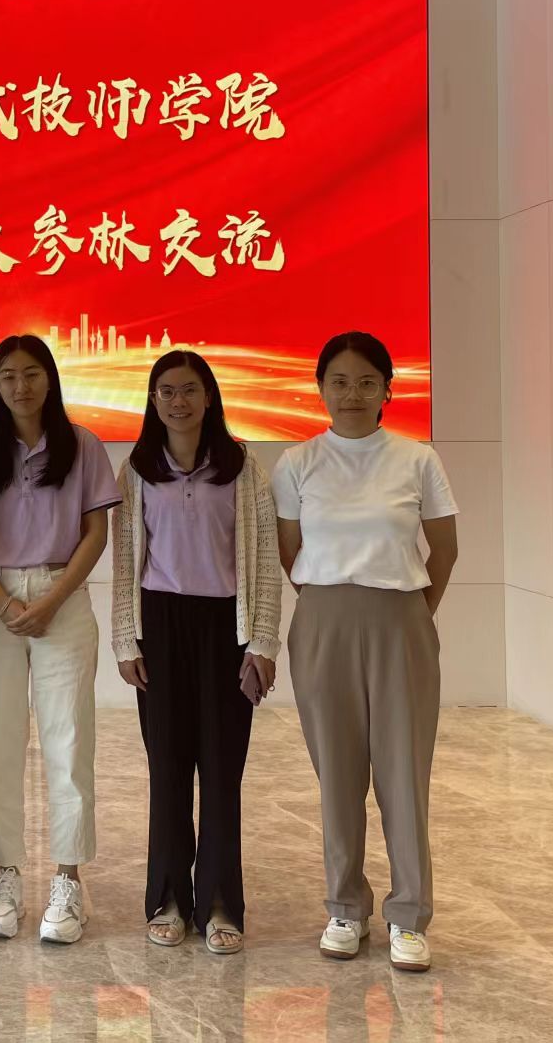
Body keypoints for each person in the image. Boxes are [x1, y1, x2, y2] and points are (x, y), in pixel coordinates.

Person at [272, 331, 458, 973]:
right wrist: (332, 602)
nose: (352, 394)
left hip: (400, 617)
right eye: (340, 382)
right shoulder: (297, 463)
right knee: (338, 774)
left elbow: (445, 549)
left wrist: (414, 613)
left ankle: (409, 915)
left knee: (404, 772)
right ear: (320, 388)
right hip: (323, 620)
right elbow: (289, 551)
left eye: (366, 382)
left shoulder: (417, 459)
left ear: (387, 390)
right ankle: (345, 907)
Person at [111, 349, 280, 956]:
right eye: (166, 391)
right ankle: (168, 899)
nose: (177, 401)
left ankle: (220, 902)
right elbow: (126, 561)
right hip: (160, 626)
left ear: (209, 397)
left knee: (222, 770)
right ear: (153, 401)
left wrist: (263, 641)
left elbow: (264, 561)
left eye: (188, 390)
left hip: (226, 628)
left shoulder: (244, 468)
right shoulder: (137, 470)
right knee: (168, 769)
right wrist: (125, 638)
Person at [0, 335, 118, 944]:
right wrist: (3, 602)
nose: (20, 386)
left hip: (62, 597)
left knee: (69, 739)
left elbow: (95, 534)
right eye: (7, 376)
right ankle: (6, 876)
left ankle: (68, 879)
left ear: (49, 379)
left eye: (31, 374)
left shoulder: (83, 446)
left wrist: (50, 600)